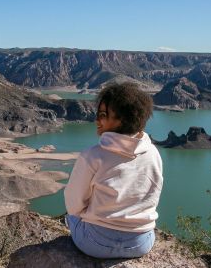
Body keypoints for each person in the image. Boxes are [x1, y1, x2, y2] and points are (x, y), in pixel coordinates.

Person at [64, 82, 163, 258]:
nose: (96, 120)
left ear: (122, 120)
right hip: (140, 243)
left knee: (69, 217)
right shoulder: (153, 153)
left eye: (103, 115)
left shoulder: (92, 156)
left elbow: (73, 204)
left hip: (95, 243)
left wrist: (92, 217)